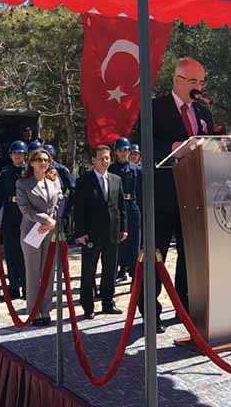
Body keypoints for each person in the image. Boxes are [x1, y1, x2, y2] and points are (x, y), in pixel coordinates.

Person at [148, 58, 214, 331]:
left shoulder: (203, 112)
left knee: (190, 253)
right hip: (162, 193)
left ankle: (185, 305)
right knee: (156, 253)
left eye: (201, 82)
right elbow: (144, 142)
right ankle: (150, 309)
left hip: (194, 193)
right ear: (177, 80)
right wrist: (172, 147)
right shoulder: (155, 107)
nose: (198, 87)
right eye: (193, 81)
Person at [75, 145, 127, 319]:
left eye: (107, 158)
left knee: (110, 269)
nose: (106, 161)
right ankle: (88, 305)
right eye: (102, 158)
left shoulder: (116, 179)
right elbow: (79, 209)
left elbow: (121, 206)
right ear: (93, 160)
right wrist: (80, 232)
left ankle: (108, 302)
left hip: (112, 232)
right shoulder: (84, 181)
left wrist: (124, 228)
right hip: (91, 233)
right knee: (89, 271)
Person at [16, 147, 64, 326]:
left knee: (48, 271)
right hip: (32, 230)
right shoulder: (23, 183)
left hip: (51, 231)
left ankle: (46, 309)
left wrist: (52, 221)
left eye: (46, 160)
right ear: (31, 163)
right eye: (39, 160)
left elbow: (60, 201)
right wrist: (45, 220)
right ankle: (34, 310)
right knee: (33, 271)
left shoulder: (54, 180)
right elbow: (25, 208)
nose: (43, 163)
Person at [0, 141, 28, 300]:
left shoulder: (30, 172)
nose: (17, 156)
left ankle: (27, 287)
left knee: (25, 254)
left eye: (20, 153)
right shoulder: (5, 173)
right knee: (10, 253)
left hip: (26, 214)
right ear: (10, 155)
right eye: (15, 153)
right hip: (10, 212)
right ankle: (13, 287)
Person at [109, 137, 142, 280]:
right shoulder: (111, 169)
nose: (124, 153)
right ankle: (120, 268)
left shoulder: (136, 170)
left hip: (132, 207)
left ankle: (135, 275)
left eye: (127, 150)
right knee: (118, 243)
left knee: (135, 243)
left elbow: (141, 191)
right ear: (116, 152)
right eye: (121, 150)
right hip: (117, 209)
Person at [43, 144, 76, 229]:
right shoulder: (37, 168)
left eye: (49, 156)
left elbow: (73, 188)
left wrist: (67, 207)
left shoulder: (61, 169)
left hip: (58, 206)